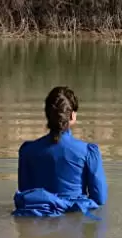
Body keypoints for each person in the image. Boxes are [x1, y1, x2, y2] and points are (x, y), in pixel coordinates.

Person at [12, 86, 107, 218]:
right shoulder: (88, 152)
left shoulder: (27, 151)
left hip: (36, 219)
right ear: (72, 115)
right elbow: (99, 199)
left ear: (47, 115)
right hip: (73, 222)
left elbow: (25, 193)